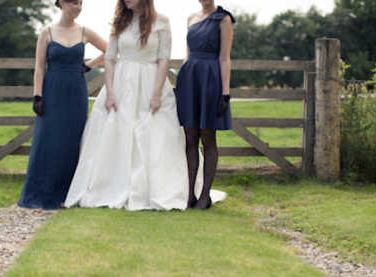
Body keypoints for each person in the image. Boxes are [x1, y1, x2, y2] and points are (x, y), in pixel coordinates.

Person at [65, 0, 198, 211]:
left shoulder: (162, 21)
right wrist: (109, 92)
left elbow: (164, 59)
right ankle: (112, 185)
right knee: (116, 132)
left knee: (153, 135)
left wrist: (156, 93)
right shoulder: (120, 21)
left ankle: (151, 189)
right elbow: (109, 58)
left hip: (150, 83)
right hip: (121, 84)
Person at [17, 0, 107, 210]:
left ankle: (67, 194)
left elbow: (111, 50)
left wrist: (88, 65)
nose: (78, 7)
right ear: (61, 3)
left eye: (81, 3)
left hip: (76, 91)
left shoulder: (85, 31)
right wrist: (37, 96)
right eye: (74, 2)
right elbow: (39, 68)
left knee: (72, 140)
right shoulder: (46, 32)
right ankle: (41, 192)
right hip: (51, 90)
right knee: (47, 140)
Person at [175, 0, 234, 209]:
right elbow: (188, 54)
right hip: (190, 79)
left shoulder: (224, 18)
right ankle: (189, 194)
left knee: (207, 137)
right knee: (190, 137)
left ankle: (205, 195)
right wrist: (181, 83)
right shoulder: (191, 18)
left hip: (210, 79)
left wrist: (225, 93)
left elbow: (225, 58)